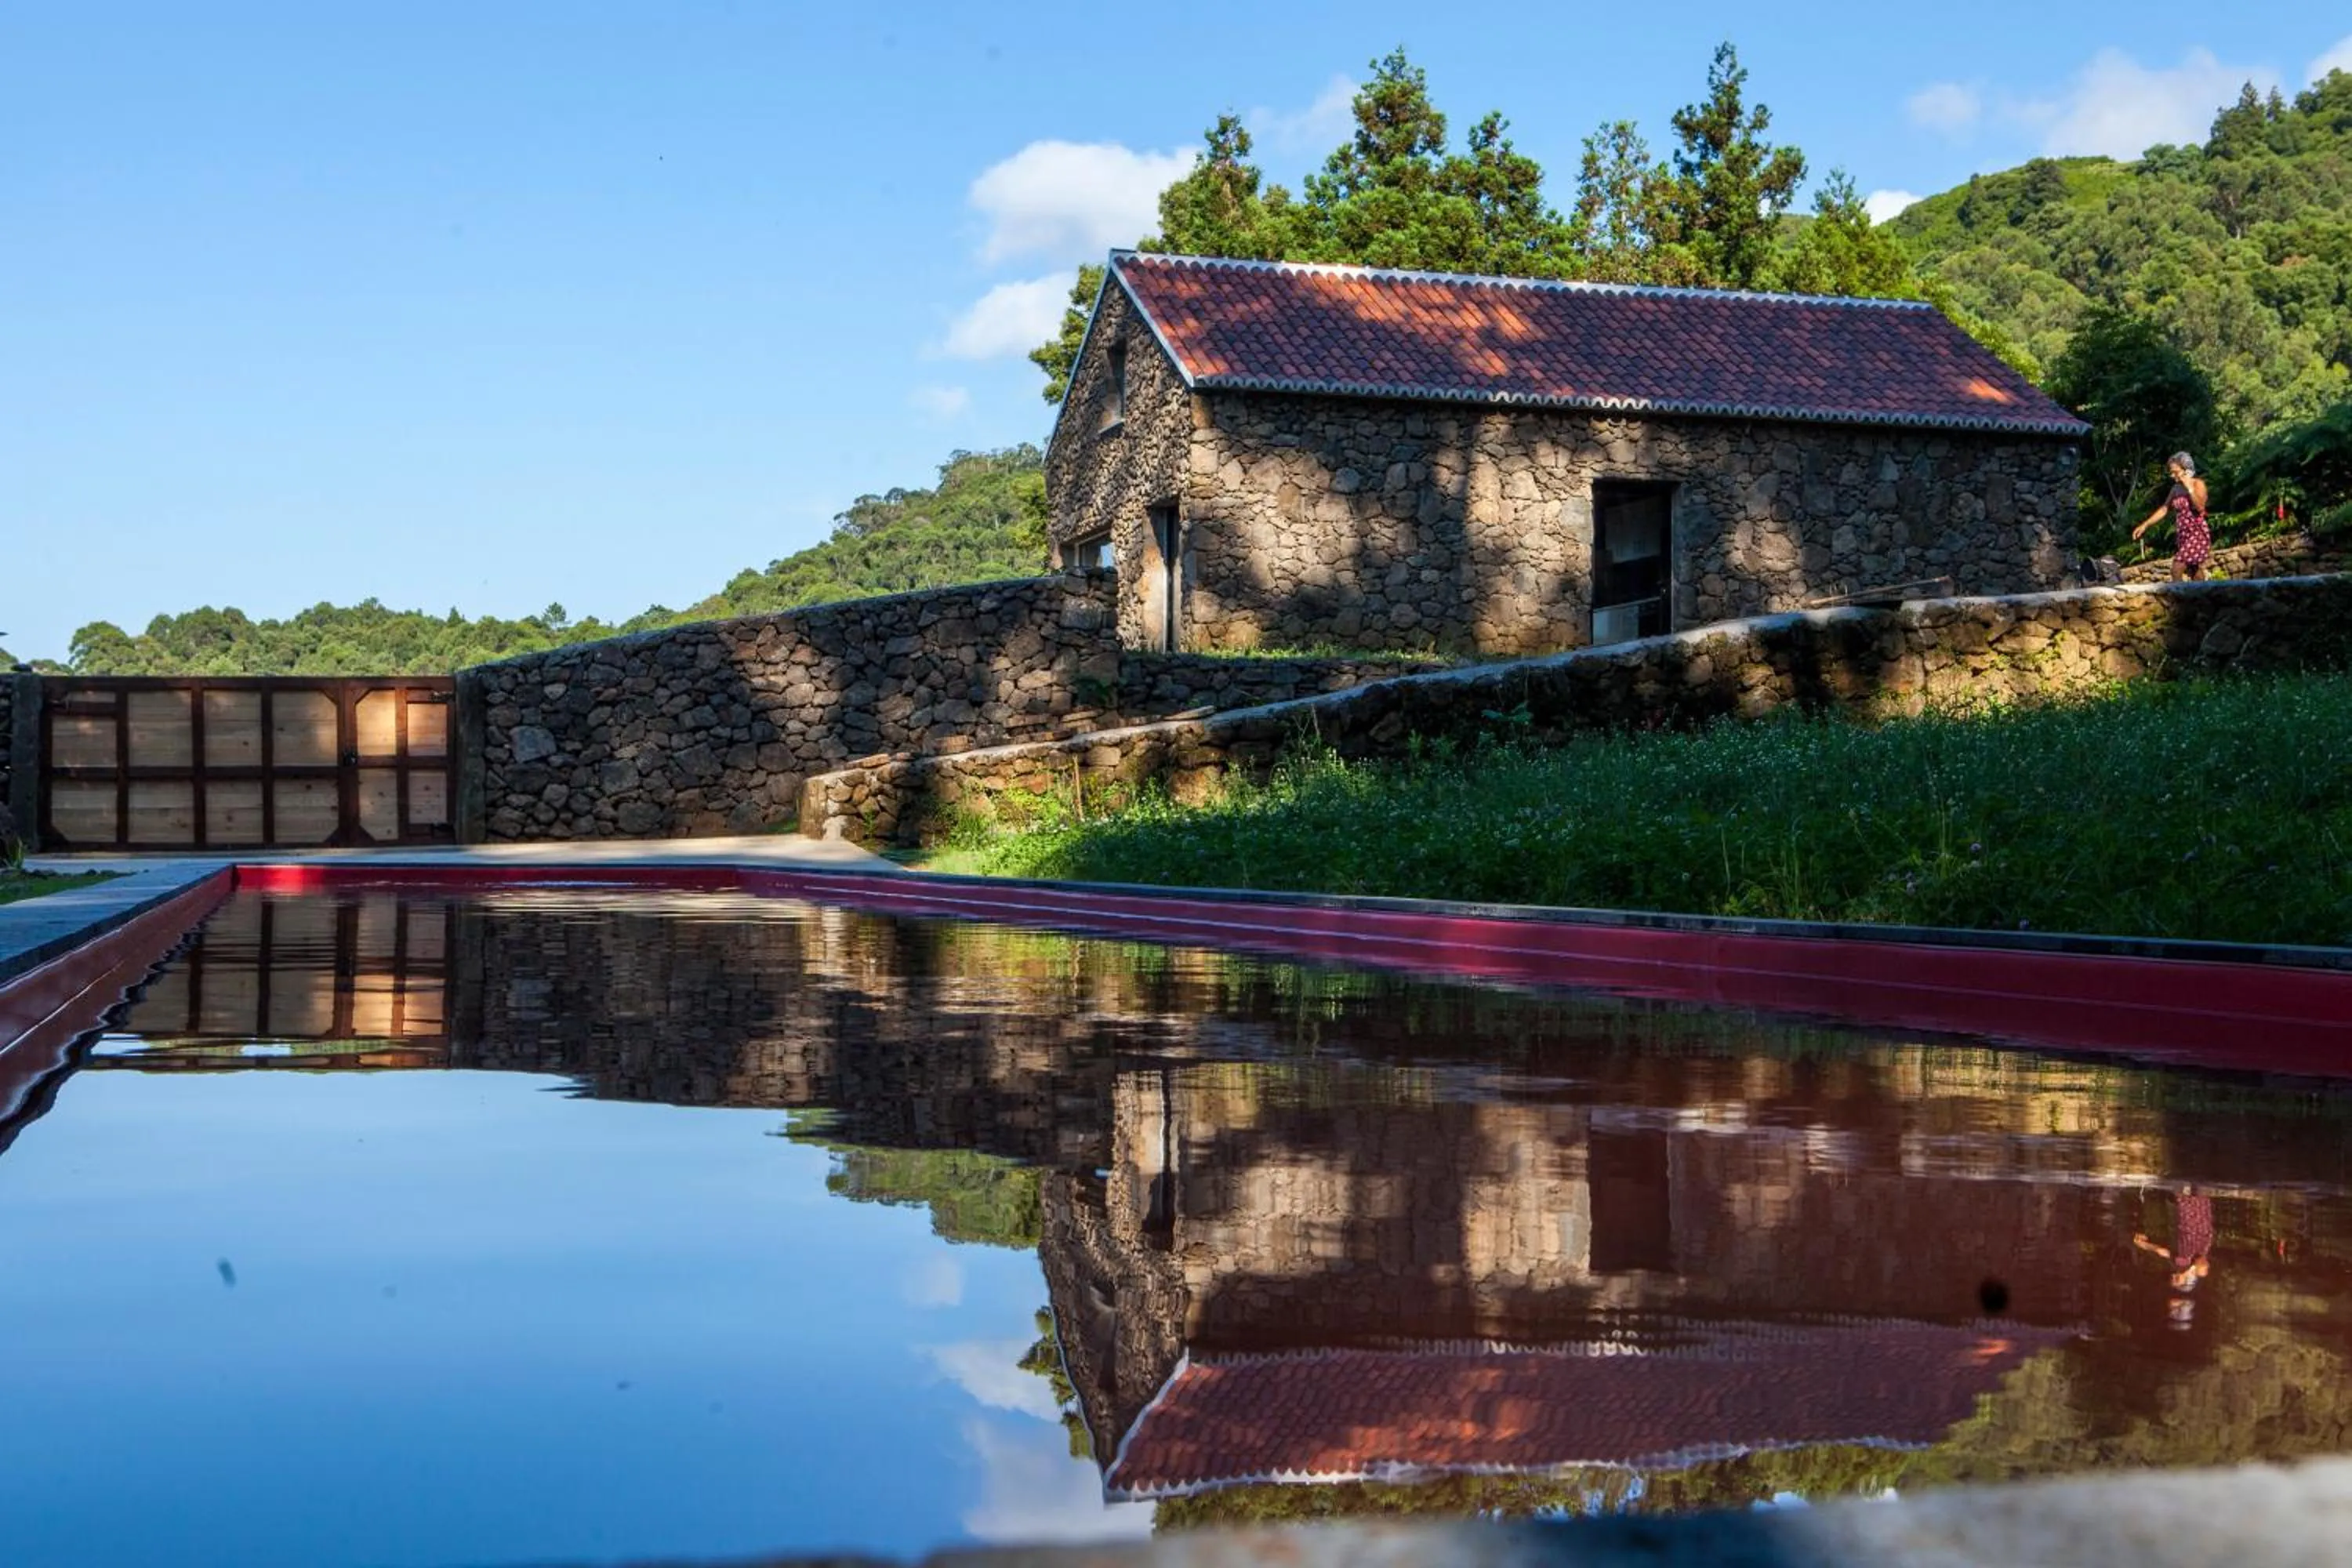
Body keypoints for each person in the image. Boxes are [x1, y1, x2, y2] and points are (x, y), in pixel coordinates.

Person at [2134, 1186, 2214, 1330]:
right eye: (2176, 1281)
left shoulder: (2178, 1264)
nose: (2172, 1278)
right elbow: (2202, 1262)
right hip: (2199, 1223)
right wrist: (2191, 1270)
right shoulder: (2196, 1270)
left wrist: (2144, 1245)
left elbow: (2162, 1251)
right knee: (2200, 1190)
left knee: (2183, 1189)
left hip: (2186, 1219)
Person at [2132, 452, 2212, 581]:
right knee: (2194, 570)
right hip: (2184, 535)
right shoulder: (2175, 489)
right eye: (2171, 472)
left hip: (2197, 534)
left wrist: (2189, 488)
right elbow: (2164, 509)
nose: (2172, 475)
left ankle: (2179, 599)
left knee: (2176, 568)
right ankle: (2205, 598)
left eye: (2175, 472)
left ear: (2187, 470)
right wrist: (2145, 525)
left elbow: (2200, 507)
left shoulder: (2198, 484)